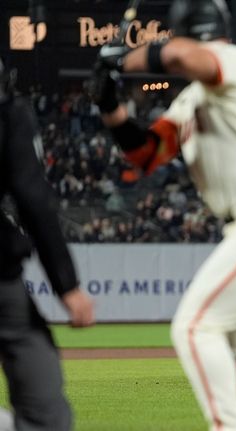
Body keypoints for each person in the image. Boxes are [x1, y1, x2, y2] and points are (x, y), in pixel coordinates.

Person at [91, 1, 236, 429]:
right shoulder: (192, 98)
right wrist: (110, 106)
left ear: (185, 34)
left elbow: (183, 56)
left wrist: (124, 59)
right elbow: (146, 153)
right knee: (226, 319)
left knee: (193, 327)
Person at [0, 59, 95, 430]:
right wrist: (67, 285)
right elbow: (32, 198)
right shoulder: (9, 115)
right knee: (46, 415)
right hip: (3, 286)